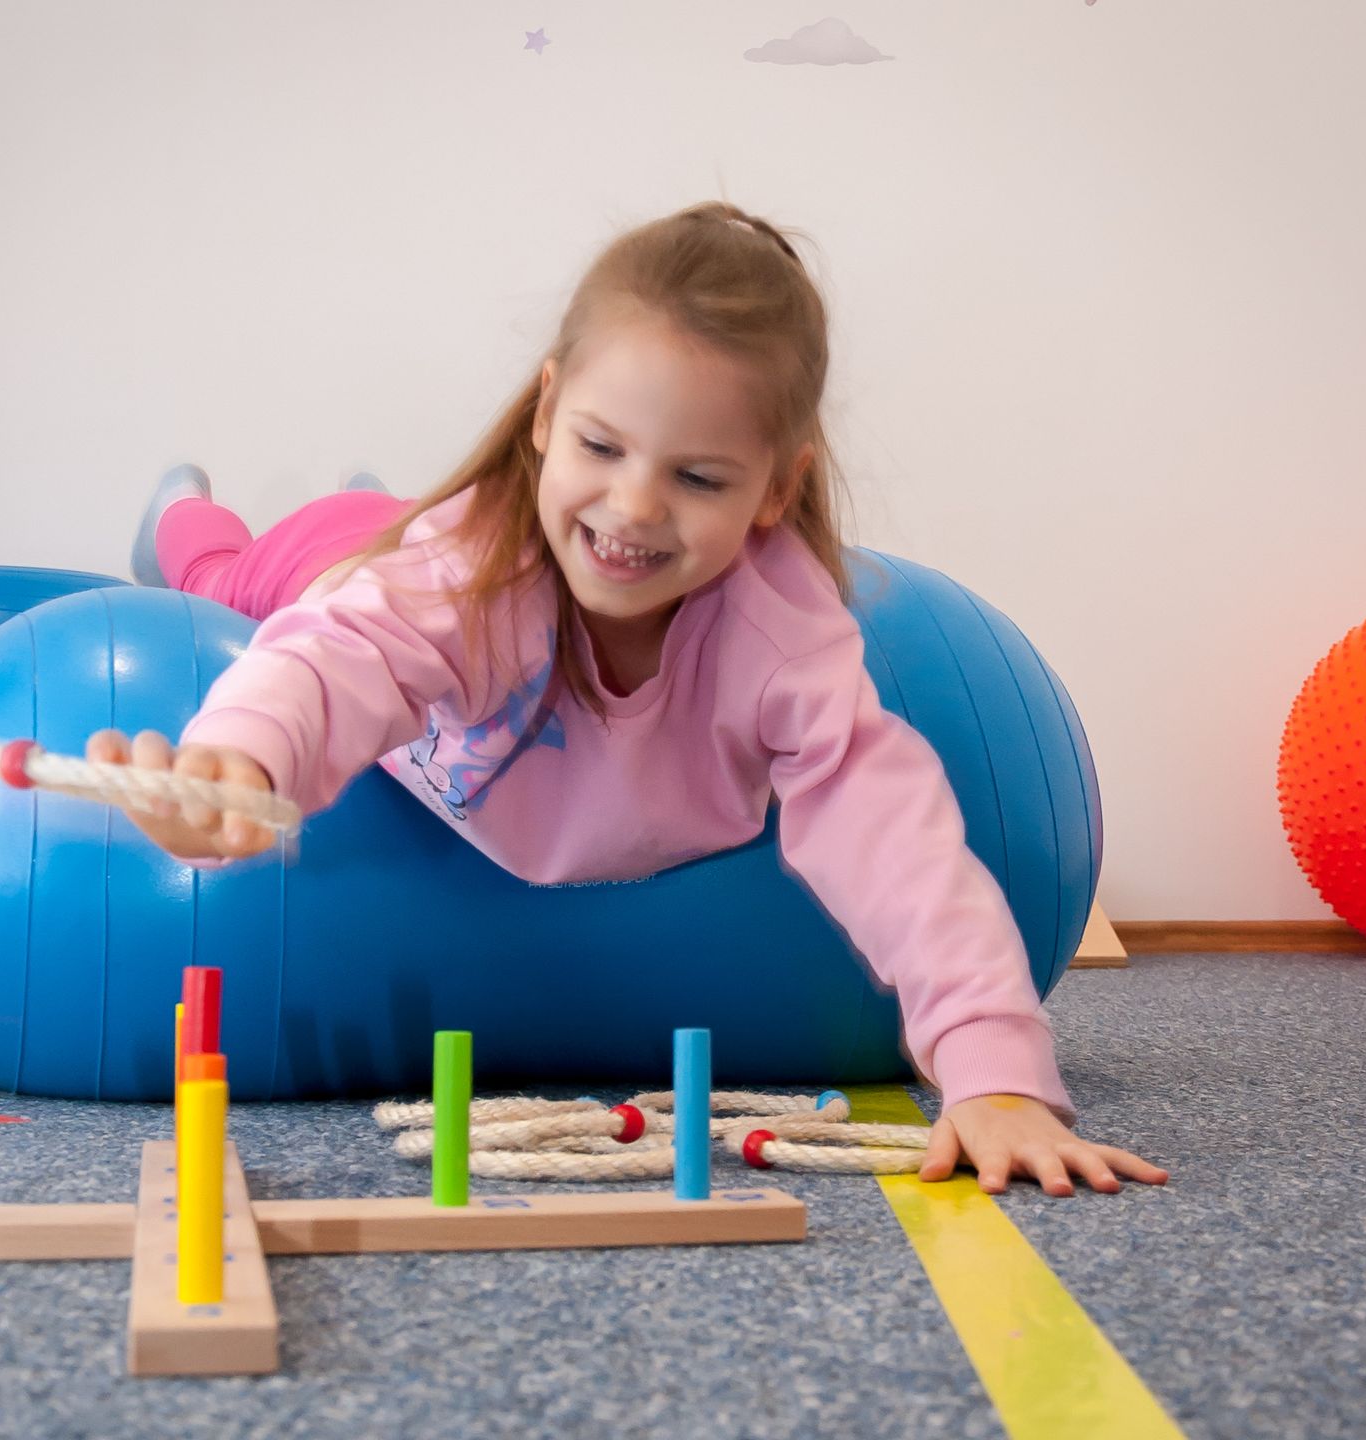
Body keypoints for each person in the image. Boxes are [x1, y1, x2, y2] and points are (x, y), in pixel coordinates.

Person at [95, 200, 1170, 1200]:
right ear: (548, 410)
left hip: (486, 661)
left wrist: (994, 1073)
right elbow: (338, 657)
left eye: (698, 478)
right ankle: (189, 526)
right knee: (258, 579)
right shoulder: (470, 578)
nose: (634, 507)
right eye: (601, 448)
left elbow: (890, 836)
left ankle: (352, 493)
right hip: (366, 591)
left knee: (375, 522)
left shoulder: (781, 638)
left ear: (774, 490)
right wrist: (243, 762)